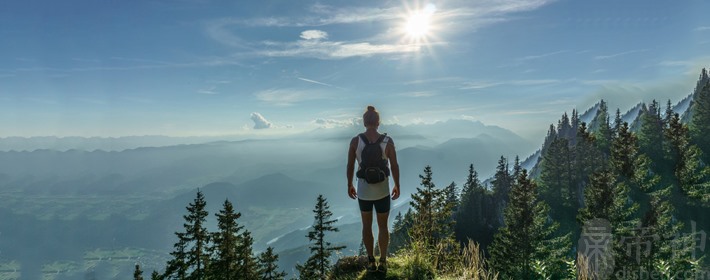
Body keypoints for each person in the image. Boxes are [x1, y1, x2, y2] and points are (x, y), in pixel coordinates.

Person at [346, 105, 401, 273]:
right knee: (383, 226)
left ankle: (371, 262)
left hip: (364, 191)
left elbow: (350, 165)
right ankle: (383, 261)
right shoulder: (388, 141)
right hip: (383, 190)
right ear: (378, 122)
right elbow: (394, 166)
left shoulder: (356, 141)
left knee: (366, 226)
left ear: (364, 122)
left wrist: (350, 184)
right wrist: (397, 185)